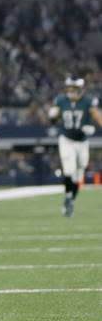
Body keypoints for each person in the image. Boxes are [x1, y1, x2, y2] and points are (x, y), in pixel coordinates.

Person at [48, 77, 102, 217]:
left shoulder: (88, 101)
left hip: (82, 142)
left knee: (79, 175)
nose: (71, 91)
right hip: (66, 139)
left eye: (74, 88)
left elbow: (98, 117)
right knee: (69, 169)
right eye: (70, 88)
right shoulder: (61, 100)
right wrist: (52, 116)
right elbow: (53, 119)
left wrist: (91, 127)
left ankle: (71, 200)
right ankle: (67, 197)